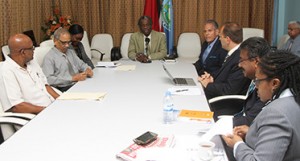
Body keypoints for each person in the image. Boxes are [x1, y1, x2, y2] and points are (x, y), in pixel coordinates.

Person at [223, 50, 300, 161]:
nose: (256, 86)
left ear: (274, 83)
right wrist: (253, 133)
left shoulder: (276, 113)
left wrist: (237, 145)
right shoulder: (294, 100)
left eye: (258, 81)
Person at [198, 22, 251, 119]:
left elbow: (230, 89)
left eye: (220, 37)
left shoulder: (240, 58)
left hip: (225, 104)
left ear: (227, 39)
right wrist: (211, 78)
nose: (219, 39)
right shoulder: (233, 53)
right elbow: (226, 75)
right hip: (219, 96)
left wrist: (208, 85)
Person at [0, 34, 59, 114]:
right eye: (32, 48)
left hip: (51, 108)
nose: (34, 50)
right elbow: (17, 106)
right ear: (23, 52)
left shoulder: (31, 61)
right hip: (35, 116)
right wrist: (47, 110)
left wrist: (61, 100)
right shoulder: (6, 71)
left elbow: (45, 85)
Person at [233, 37, 270, 127]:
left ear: (256, 61)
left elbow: (250, 120)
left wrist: (222, 123)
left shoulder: (267, 85)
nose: (239, 65)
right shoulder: (253, 77)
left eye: (242, 60)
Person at [42, 28, 93, 92]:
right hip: (64, 87)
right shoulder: (49, 57)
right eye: (64, 43)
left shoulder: (70, 52)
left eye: (69, 42)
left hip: (78, 83)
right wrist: (72, 79)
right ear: (55, 41)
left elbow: (81, 64)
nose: (67, 45)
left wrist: (87, 69)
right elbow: (48, 79)